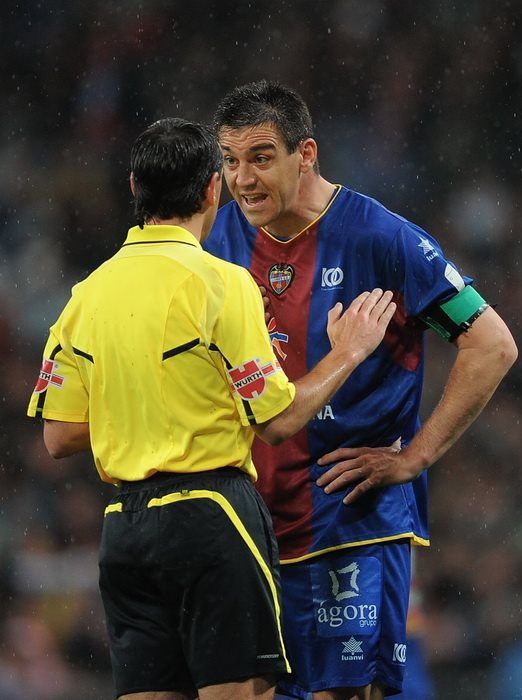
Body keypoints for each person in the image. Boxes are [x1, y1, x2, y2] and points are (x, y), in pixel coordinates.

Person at [26, 117, 396, 700]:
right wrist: (347, 353)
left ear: (133, 187)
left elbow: (60, 434)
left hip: (125, 528)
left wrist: (144, 399)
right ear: (211, 189)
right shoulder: (221, 283)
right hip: (211, 516)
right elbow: (278, 421)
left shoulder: (85, 296)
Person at [203, 80, 518, 699]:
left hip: (353, 518)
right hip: (250, 520)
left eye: (261, 158)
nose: (243, 179)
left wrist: (416, 456)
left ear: (306, 154)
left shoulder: (382, 238)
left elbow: (492, 345)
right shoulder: (217, 239)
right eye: (230, 160)